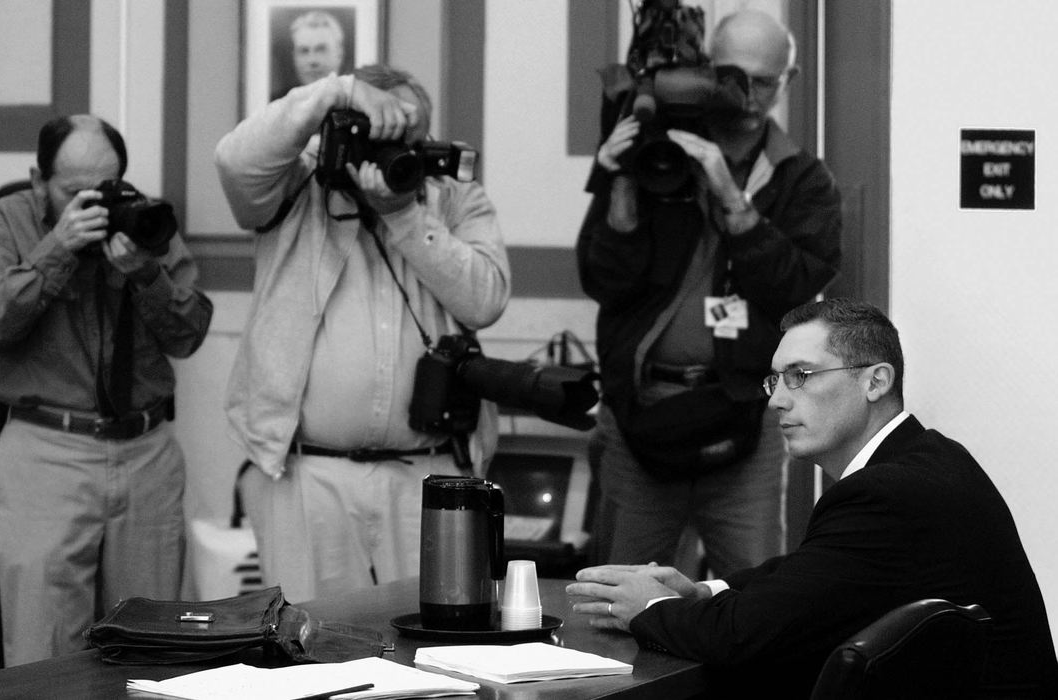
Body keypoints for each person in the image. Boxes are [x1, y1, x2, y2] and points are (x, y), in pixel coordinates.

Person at [568, 298, 1058, 698]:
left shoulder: (887, 493)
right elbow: (808, 572)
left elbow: (744, 636)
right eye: (775, 380)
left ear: (875, 381)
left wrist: (649, 605)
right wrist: (704, 591)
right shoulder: (928, 458)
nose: (778, 399)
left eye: (800, 375)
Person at [215, 64, 510, 603]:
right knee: (310, 647)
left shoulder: (454, 196)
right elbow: (232, 160)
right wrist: (340, 90)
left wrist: (403, 215)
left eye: (410, 136)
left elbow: (485, 299)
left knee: (436, 642)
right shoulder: (296, 185)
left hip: (432, 470)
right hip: (307, 472)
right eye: (381, 134)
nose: (396, 152)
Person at [576, 8, 841, 574]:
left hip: (745, 413)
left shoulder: (801, 178)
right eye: (730, 76)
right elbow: (605, 282)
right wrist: (622, 178)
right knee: (616, 601)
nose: (745, 96)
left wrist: (731, 198)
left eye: (764, 81)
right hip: (641, 412)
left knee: (754, 599)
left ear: (788, 81)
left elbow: (795, 290)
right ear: (701, 70)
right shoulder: (656, 153)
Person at [0, 115, 213, 666]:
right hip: (47, 453)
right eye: (74, 191)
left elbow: (189, 334)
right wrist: (57, 248)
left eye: (108, 185)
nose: (94, 202)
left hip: (146, 454)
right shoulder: (6, 220)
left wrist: (147, 274)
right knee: (42, 647)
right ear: (39, 181)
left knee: (153, 643)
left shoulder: (145, 221)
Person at [288, 10, 346, 88]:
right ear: (294, 57)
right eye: (304, 51)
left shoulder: (359, 98)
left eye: (321, 50)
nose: (312, 61)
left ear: (339, 54)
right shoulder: (276, 99)